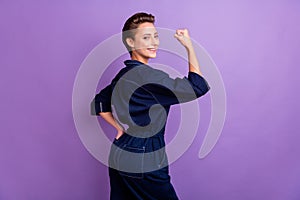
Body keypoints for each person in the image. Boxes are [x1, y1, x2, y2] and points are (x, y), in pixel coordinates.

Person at [93, 12, 210, 200]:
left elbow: (99, 102)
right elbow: (197, 86)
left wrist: (119, 128)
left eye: (156, 36)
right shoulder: (149, 77)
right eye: (146, 37)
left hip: (119, 153)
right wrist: (189, 47)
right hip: (144, 156)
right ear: (130, 43)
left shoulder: (122, 75)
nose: (154, 42)